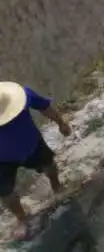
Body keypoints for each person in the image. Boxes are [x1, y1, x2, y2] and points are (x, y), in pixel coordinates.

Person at [0, 82, 70, 238]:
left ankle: (57, 187)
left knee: (49, 166)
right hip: (2, 158)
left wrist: (61, 123)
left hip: (31, 145)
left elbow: (45, 107)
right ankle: (22, 219)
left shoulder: (23, 95)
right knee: (5, 192)